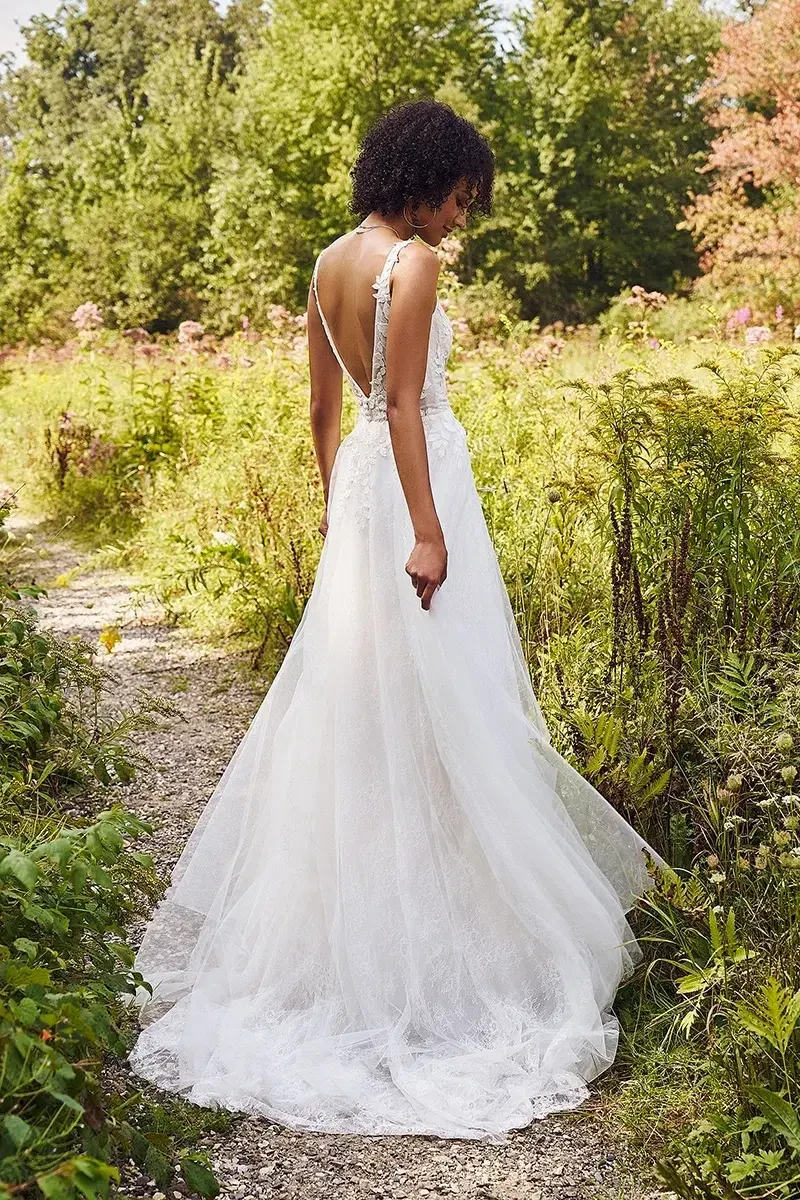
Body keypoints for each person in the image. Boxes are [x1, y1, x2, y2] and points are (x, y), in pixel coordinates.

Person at [127, 98, 666, 1142]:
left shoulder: (330, 260)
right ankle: (444, 949)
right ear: (428, 178)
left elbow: (327, 416)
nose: (466, 213)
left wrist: (350, 511)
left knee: (370, 704)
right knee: (442, 702)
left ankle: (375, 929)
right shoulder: (409, 265)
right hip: (416, 488)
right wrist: (423, 530)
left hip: (359, 493)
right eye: (463, 192)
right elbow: (407, 400)